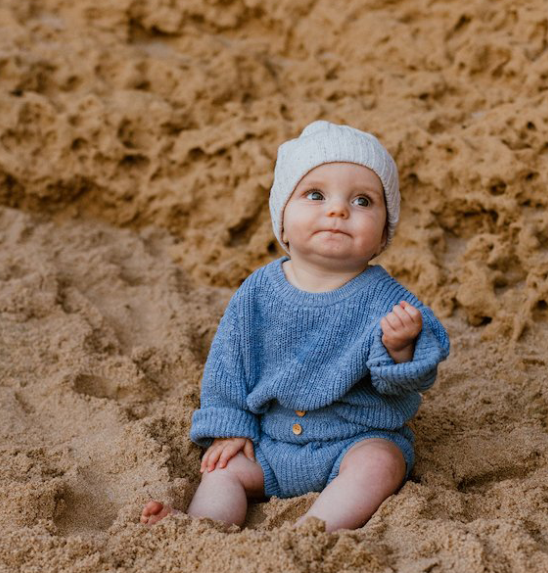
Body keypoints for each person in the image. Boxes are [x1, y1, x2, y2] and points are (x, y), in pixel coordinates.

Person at [141, 120, 450, 532]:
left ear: (382, 236)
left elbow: (409, 381)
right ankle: (202, 527)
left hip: (354, 441)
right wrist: (230, 428)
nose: (338, 210)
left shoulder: (387, 301)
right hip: (274, 444)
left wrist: (400, 348)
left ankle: (311, 530)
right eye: (315, 195)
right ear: (282, 221)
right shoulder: (257, 291)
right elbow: (228, 365)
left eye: (362, 201)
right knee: (223, 468)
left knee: (381, 464)